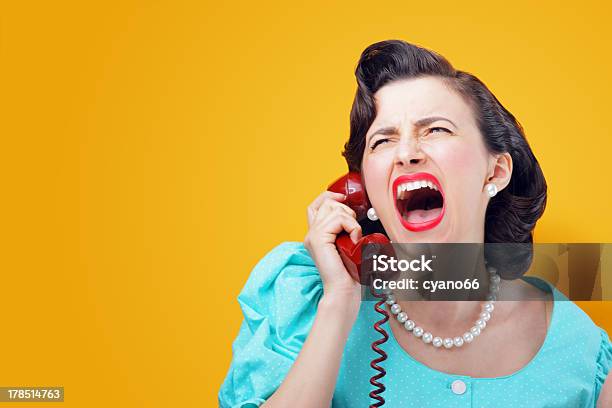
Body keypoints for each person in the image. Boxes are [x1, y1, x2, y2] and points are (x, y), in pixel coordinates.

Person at [218, 40, 612, 407]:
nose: (406, 152)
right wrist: (338, 302)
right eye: (382, 140)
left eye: (436, 129)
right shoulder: (302, 299)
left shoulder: (579, 346)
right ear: (363, 188)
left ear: (495, 171)